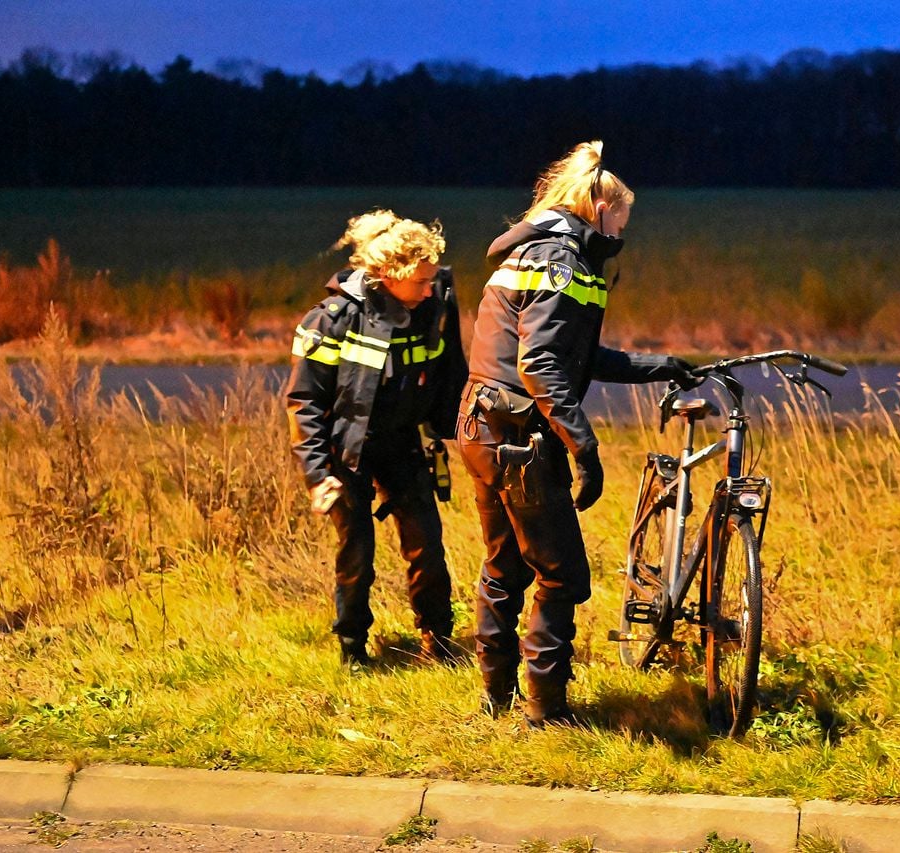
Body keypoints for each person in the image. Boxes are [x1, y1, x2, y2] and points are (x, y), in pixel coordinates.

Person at [457, 140, 695, 724]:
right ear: (599, 206)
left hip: (484, 426)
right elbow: (541, 367)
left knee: (503, 563)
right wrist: (584, 450)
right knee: (561, 575)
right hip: (519, 438)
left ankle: (496, 697)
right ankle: (548, 711)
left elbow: (575, 355)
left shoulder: (541, 250)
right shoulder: (563, 262)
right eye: (623, 216)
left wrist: (657, 364)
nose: (624, 228)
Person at [285, 209, 467, 670]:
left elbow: (450, 375)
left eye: (432, 279)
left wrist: (456, 429)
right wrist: (317, 475)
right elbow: (303, 401)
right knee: (357, 551)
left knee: (426, 543)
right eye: (422, 281)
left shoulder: (433, 307)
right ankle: (352, 648)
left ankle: (438, 639)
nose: (431, 288)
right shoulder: (332, 319)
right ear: (389, 275)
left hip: (403, 443)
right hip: (347, 449)